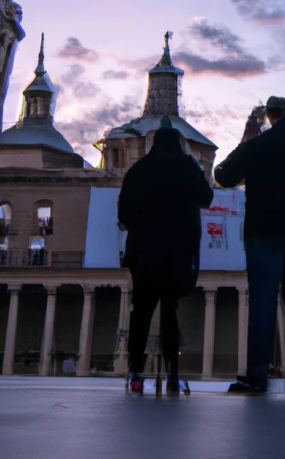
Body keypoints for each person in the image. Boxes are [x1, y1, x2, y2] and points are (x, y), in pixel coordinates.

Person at [215, 96, 285, 394]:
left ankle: (257, 376)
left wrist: (250, 134)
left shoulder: (260, 144)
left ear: (270, 116)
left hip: (264, 230)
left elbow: (223, 175)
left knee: (262, 301)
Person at [118, 115, 213, 394]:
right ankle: (172, 373)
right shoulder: (187, 166)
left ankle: (136, 372)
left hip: (144, 252)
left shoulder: (138, 170)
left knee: (142, 311)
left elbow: (123, 215)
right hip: (179, 253)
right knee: (170, 309)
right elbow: (206, 198)